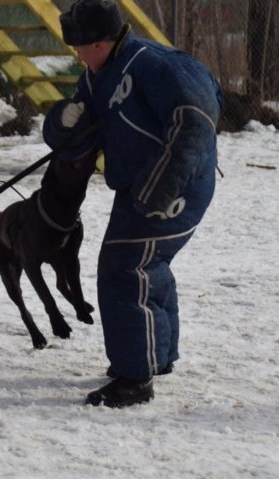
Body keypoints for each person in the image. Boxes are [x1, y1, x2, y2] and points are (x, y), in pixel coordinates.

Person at [43, 0, 223, 408]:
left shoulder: (156, 64)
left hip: (176, 186)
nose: (75, 54)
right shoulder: (97, 76)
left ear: (101, 42)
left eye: (79, 46)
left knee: (126, 268)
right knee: (147, 265)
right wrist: (61, 122)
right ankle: (154, 357)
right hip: (140, 187)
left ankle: (134, 380)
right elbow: (78, 137)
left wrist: (162, 188)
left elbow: (196, 118)